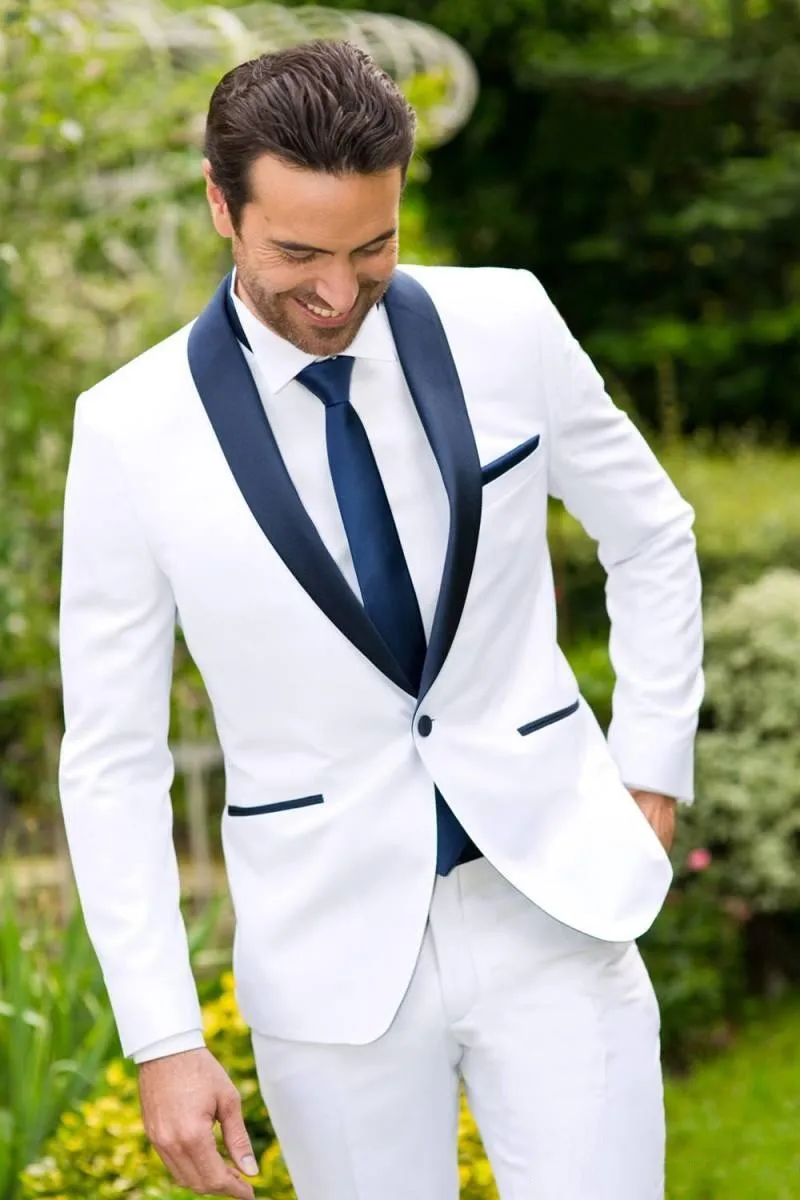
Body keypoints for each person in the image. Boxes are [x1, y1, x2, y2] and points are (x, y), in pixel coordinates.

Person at [58, 39, 703, 1200]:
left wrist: (649, 769)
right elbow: (112, 758)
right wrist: (163, 1036)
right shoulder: (127, 433)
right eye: (297, 254)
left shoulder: (507, 322)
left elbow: (650, 534)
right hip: (326, 962)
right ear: (220, 204)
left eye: (372, 248)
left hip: (552, 904)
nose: (335, 292)